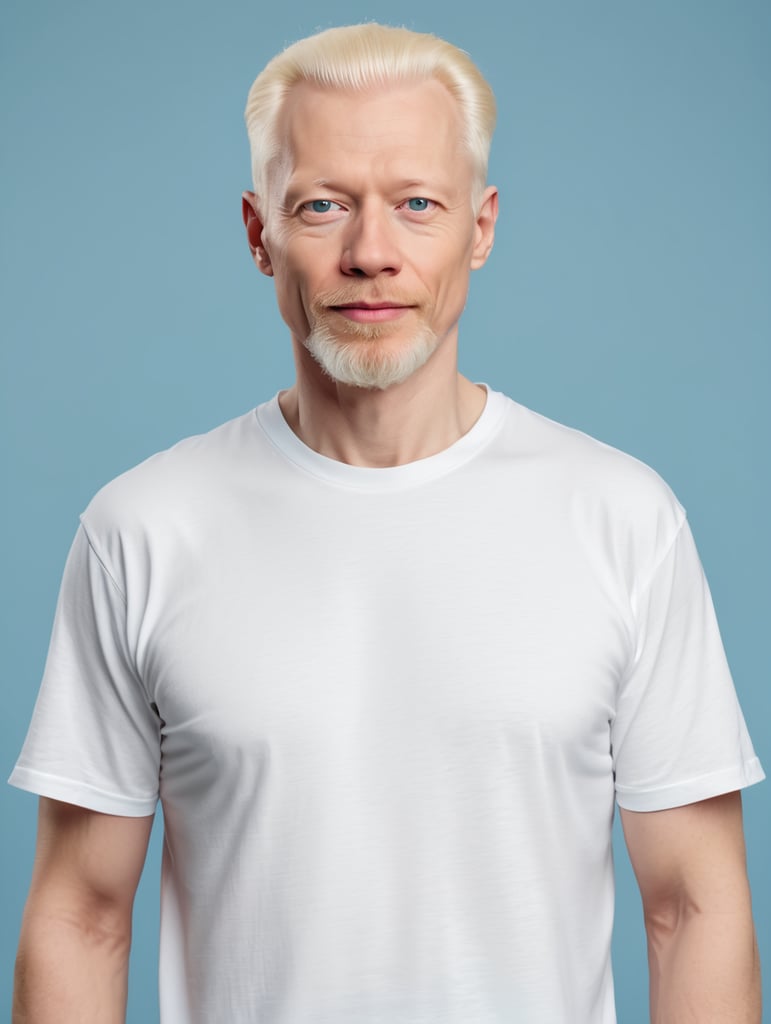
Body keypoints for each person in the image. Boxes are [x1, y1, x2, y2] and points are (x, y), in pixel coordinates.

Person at [10, 22, 764, 1024]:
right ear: (257, 233)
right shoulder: (142, 528)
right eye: (322, 206)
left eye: (418, 205)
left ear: (481, 229)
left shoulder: (623, 518)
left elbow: (694, 905)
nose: (372, 254)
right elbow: (82, 913)